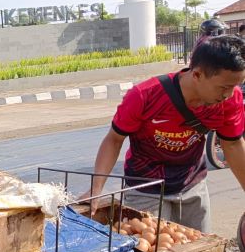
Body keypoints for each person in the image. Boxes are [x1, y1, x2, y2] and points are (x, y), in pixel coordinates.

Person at [84, 35, 245, 232]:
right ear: (197, 75)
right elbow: (114, 140)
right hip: (146, 189)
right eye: (224, 87)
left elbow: (233, 145)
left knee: (198, 251)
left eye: (235, 86)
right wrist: (96, 188)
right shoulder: (145, 96)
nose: (228, 94)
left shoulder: (230, 100)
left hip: (192, 187)